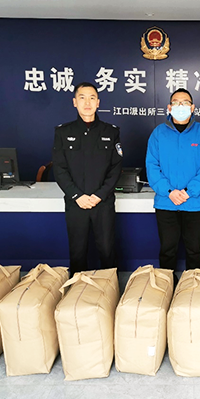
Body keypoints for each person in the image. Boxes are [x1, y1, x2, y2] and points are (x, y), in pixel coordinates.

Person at [53, 82, 123, 275]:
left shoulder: (111, 132)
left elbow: (116, 168)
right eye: (82, 98)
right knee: (77, 253)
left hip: (103, 203)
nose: (87, 103)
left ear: (98, 103)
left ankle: (110, 289)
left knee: (107, 252)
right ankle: (77, 291)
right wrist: (77, 196)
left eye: (92, 98)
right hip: (76, 203)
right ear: (74, 102)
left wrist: (99, 195)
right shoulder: (63, 132)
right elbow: (59, 169)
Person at [146, 88, 200, 271]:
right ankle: (167, 285)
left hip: (194, 203)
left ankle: (192, 287)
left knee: (194, 250)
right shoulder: (158, 134)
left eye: (185, 103)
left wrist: (188, 192)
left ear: (192, 107)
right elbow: (152, 166)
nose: (180, 106)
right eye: (176, 103)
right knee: (167, 251)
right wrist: (169, 191)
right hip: (166, 202)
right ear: (169, 107)